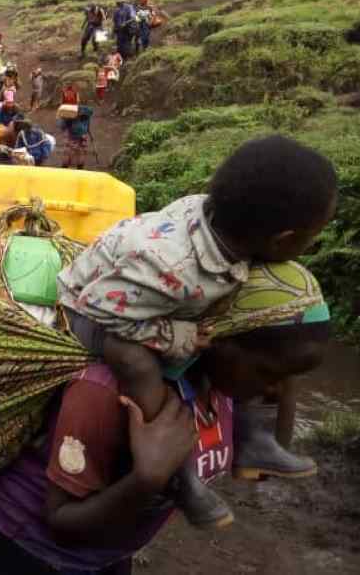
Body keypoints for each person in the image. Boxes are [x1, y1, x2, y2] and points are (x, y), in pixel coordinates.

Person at [0, 262, 332, 574]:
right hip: (31, 548)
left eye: (293, 376)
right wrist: (147, 479)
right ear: (216, 340)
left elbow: (265, 464)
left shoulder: (229, 385)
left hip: (111, 546)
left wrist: (283, 383)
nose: (277, 390)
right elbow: (61, 521)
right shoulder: (105, 391)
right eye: (271, 372)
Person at [57, 135, 338, 528]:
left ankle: (253, 437)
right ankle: (178, 470)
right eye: (313, 237)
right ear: (284, 240)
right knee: (132, 359)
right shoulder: (171, 266)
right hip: (90, 311)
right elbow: (100, 307)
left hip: (147, 299)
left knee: (250, 333)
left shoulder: (225, 230)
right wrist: (179, 337)